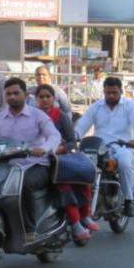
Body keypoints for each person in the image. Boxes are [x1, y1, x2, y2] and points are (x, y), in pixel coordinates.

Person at [0, 78, 61, 236]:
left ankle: (30, 229)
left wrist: (44, 148)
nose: (12, 97)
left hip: (36, 165)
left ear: (26, 95)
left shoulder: (38, 115)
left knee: (24, 184)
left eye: (16, 93)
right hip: (6, 167)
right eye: (8, 94)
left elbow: (54, 136)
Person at [75, 76, 134, 217]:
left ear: (121, 91)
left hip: (123, 148)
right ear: (104, 92)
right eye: (108, 93)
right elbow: (82, 126)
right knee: (81, 165)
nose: (111, 96)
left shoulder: (130, 106)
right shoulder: (96, 107)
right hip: (100, 147)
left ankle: (128, 200)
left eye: (114, 93)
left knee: (125, 163)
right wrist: (73, 136)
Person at [34, 84, 96, 243]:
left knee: (70, 184)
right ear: (36, 99)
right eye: (41, 97)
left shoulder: (60, 116)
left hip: (59, 159)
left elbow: (72, 143)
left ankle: (79, 221)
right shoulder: (30, 116)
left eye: (48, 96)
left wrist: (60, 149)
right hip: (35, 159)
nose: (45, 100)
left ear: (54, 99)